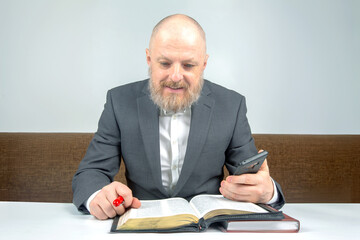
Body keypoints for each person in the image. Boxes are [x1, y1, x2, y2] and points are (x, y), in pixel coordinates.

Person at [72, 14, 285, 220]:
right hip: (141, 226)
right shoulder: (119, 101)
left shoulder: (232, 105)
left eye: (189, 65)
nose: (175, 77)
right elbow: (91, 172)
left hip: (208, 230)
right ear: (149, 58)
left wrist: (268, 192)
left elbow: (250, 179)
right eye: (164, 63)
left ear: (204, 64)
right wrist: (97, 198)